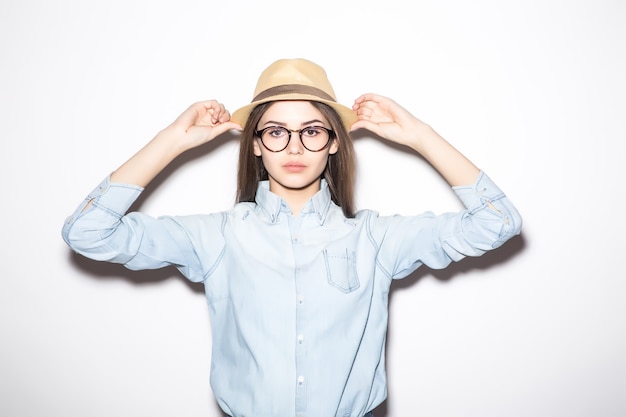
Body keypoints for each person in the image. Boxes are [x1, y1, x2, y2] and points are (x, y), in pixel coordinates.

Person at [62, 58, 522, 417]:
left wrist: (420, 136)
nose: (296, 147)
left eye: (313, 131)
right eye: (277, 132)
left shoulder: (377, 238)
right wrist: (171, 140)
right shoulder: (218, 236)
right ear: (257, 144)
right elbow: (87, 233)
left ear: (335, 142)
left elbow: (498, 222)